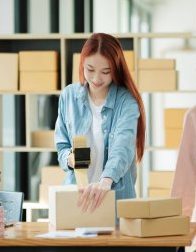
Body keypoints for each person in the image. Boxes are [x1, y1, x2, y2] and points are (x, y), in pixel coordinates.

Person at [54, 33, 146, 213]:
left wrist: (106, 181)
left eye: (106, 72)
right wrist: (69, 159)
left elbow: (123, 146)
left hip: (114, 199)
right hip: (77, 198)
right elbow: (62, 145)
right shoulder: (69, 96)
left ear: (116, 69)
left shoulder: (126, 102)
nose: (96, 78)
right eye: (90, 69)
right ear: (82, 64)